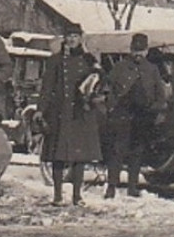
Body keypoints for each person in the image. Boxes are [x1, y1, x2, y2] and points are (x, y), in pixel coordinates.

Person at [38, 25, 103, 206]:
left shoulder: (88, 60)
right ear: (64, 38)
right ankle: (58, 195)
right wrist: (40, 110)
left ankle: (77, 195)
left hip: (81, 112)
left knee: (79, 157)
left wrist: (96, 75)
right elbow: (47, 87)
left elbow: (99, 83)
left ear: (81, 38)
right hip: (60, 112)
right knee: (58, 155)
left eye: (75, 36)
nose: (72, 39)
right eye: (69, 36)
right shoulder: (55, 61)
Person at [103, 32, 166, 197]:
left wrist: (155, 109)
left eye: (141, 51)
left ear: (146, 51)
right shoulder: (120, 67)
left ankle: (132, 186)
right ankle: (111, 186)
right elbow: (108, 89)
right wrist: (111, 107)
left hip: (143, 116)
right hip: (122, 114)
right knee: (117, 151)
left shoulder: (152, 69)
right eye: (135, 50)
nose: (138, 54)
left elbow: (160, 94)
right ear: (131, 50)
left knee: (137, 152)